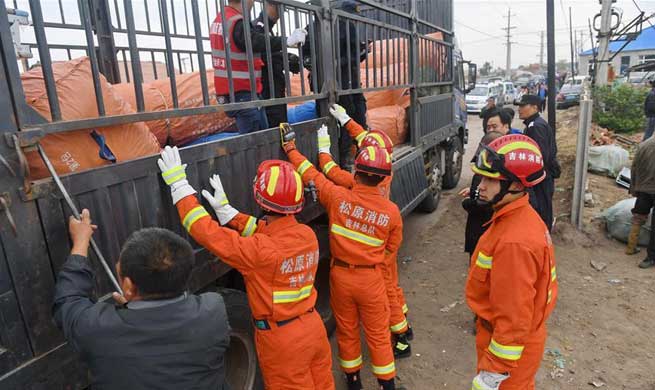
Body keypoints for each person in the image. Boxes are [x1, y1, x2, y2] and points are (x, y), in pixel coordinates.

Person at [157, 147, 335, 389]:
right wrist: (229, 213)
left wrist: (180, 186)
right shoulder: (307, 236)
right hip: (313, 328)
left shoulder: (259, 252)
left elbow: (205, 231)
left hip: (282, 342)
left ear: (260, 199)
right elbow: (268, 230)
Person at [281, 125, 403, 390]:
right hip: (371, 278)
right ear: (384, 178)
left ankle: (353, 381)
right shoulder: (391, 212)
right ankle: (387, 385)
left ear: (356, 172)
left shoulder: (337, 197)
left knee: (347, 330)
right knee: (379, 334)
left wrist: (290, 148)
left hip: (341, 276)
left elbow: (311, 174)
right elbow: (391, 249)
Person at [53, 210, 230, 390]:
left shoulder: (97, 329)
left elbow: (69, 299)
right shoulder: (213, 310)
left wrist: (81, 241)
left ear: (128, 286)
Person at [466, 134, 558, 390]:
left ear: (517, 186)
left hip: (509, 352)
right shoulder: (518, 218)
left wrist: (494, 373)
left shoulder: (513, 242)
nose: (481, 186)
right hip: (511, 344)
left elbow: (514, 316)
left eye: (490, 180)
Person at [325, 104, 414, 359]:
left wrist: (322, 151)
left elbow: (331, 173)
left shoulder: (358, 182)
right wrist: (345, 120)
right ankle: (404, 329)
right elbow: (366, 139)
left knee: (387, 293)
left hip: (375, 262)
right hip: (384, 250)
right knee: (393, 288)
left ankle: (401, 337)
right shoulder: (383, 170)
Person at [210, 0, 307, 134]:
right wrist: (287, 41)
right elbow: (254, 41)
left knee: (261, 135)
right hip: (242, 93)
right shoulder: (236, 21)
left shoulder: (222, 20)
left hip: (237, 92)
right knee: (255, 143)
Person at [253, 1, 300, 127]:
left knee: (280, 124)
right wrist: (284, 59)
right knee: (276, 125)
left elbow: (271, 54)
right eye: (279, 10)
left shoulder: (266, 29)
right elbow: (264, 55)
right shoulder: (259, 27)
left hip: (273, 88)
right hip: (268, 88)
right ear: (270, 5)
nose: (280, 16)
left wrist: (288, 60)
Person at [517, 94, 560, 231]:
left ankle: (543, 240)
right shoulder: (534, 124)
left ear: (535, 107)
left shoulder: (536, 126)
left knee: (541, 210)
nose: (519, 109)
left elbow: (541, 156)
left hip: (540, 177)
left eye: (523, 106)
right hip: (541, 176)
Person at [460, 131, 504, 259]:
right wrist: (473, 190)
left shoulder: (488, 171)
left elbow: (482, 205)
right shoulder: (497, 170)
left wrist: (467, 203)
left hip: (481, 231)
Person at [336, 0, 369, 165]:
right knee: (350, 115)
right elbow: (345, 57)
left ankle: (358, 152)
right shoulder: (343, 28)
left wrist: (361, 52)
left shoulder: (346, 27)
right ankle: (347, 156)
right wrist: (360, 53)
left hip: (349, 80)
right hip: (344, 81)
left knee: (356, 113)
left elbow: (352, 56)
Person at [626, 135, 655, 268]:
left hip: (643, 189)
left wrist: (634, 188)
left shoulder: (643, 145)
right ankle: (650, 258)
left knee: (638, 218)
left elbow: (634, 167)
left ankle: (630, 248)